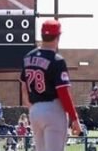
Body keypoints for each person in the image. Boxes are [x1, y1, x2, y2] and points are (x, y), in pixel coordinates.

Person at [20, 19, 81, 151]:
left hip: (35, 110)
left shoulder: (28, 57)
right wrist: (74, 118)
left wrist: (32, 107)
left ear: (42, 35)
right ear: (58, 37)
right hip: (53, 109)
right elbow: (63, 93)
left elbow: (23, 87)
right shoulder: (57, 60)